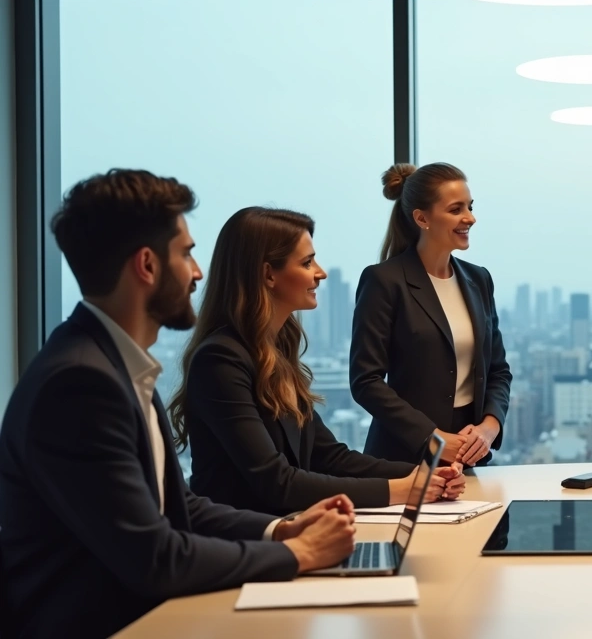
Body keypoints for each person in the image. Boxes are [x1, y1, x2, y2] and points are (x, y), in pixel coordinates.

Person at [0, 170, 357, 638]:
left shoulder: (115, 365)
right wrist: (300, 554)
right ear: (147, 266)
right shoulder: (81, 383)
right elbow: (154, 557)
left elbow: (183, 508)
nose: (199, 271)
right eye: (186, 253)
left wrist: (280, 532)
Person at [169, 207, 465, 518]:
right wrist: (403, 490)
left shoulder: (274, 353)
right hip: (242, 545)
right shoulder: (220, 360)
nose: (320, 272)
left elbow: (329, 457)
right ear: (269, 274)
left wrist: (426, 473)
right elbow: (276, 481)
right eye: (307, 262)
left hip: (288, 532)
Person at [350, 163, 512, 466]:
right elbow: (366, 381)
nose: (470, 218)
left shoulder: (479, 280)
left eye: (470, 207)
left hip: (469, 455)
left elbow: (498, 370)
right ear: (422, 218)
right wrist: (432, 437)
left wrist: (489, 429)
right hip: (402, 457)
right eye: (456, 209)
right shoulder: (384, 280)